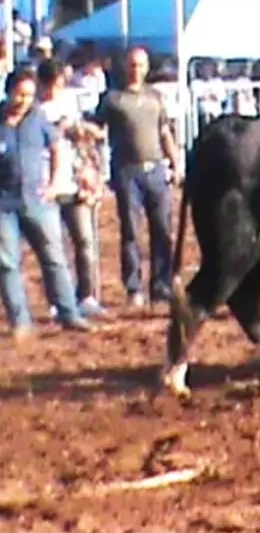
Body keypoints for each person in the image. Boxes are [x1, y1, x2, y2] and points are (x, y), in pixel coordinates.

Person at [0, 69, 95, 340]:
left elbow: (56, 148)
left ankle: (69, 313)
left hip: (37, 199)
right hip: (4, 203)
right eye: (19, 94)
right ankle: (20, 320)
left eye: (29, 95)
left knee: (53, 257)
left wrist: (54, 183)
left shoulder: (38, 118)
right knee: (7, 263)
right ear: (8, 92)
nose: (23, 100)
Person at [87, 47, 182, 309]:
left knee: (162, 231)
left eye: (140, 65)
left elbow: (165, 133)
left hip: (156, 170)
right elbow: (97, 127)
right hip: (127, 171)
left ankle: (161, 286)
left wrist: (175, 162)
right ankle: (134, 288)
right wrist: (82, 132)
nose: (136, 70)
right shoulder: (113, 99)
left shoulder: (155, 97)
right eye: (132, 64)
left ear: (147, 67)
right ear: (124, 66)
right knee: (131, 232)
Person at [36, 59, 107, 319]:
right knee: (53, 247)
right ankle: (59, 299)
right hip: (45, 183)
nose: (56, 89)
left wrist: (90, 169)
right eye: (53, 84)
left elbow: (84, 140)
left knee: (85, 241)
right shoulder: (35, 111)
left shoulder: (69, 103)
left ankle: (86, 295)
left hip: (75, 180)